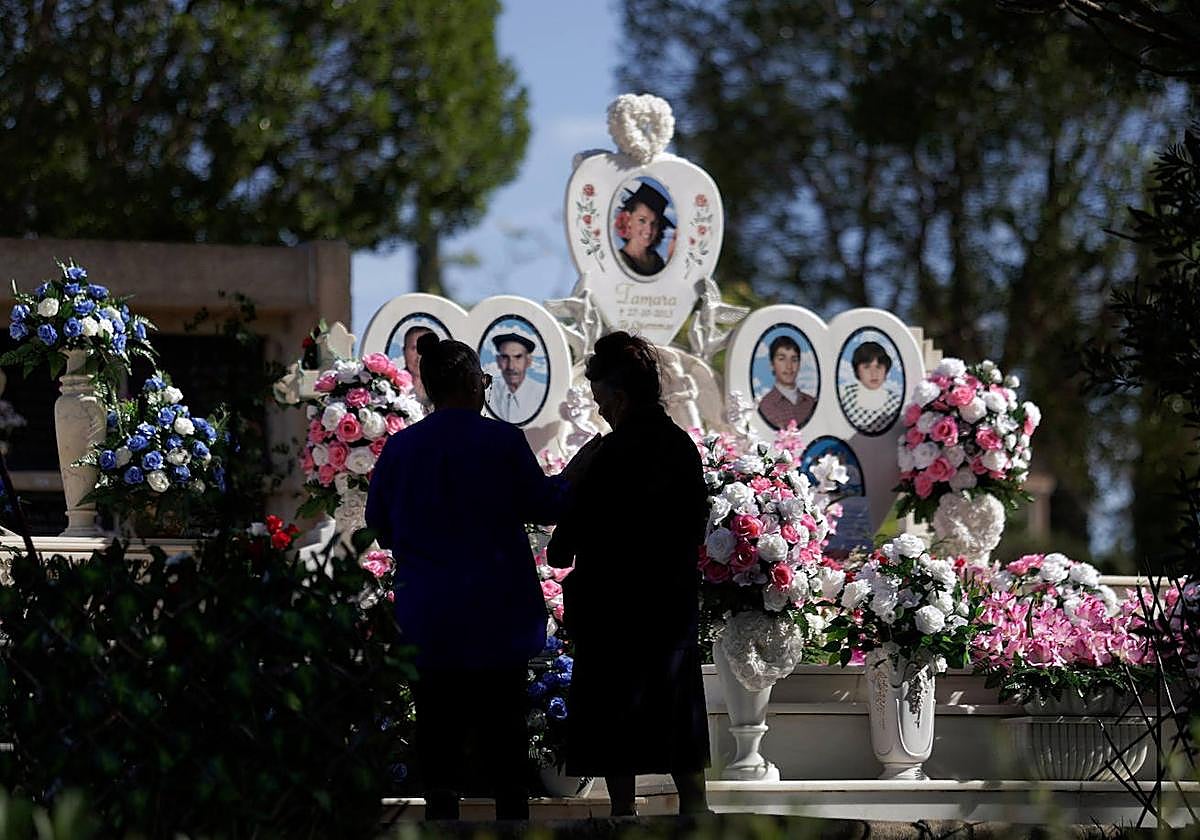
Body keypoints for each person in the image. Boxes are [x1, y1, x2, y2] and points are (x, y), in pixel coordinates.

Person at [365, 332, 569, 821]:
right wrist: (577, 474)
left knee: (437, 736)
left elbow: (380, 527)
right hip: (497, 614)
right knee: (504, 736)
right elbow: (542, 505)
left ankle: (440, 825)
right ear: (472, 384)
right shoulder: (501, 441)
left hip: (431, 616)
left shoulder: (401, 449)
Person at [547, 331, 711, 817]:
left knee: (615, 724)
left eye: (600, 400)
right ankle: (697, 812)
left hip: (612, 614)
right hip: (669, 609)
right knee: (678, 715)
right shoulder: (682, 447)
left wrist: (570, 486)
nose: (598, 411)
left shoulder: (607, 457)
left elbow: (560, 550)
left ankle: (623, 818)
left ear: (618, 397)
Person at [839, 340, 901, 434]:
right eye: (867, 367)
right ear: (857, 370)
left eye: (879, 367)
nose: (873, 373)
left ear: (886, 370)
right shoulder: (844, 395)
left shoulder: (896, 403)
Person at [757, 334, 816, 429]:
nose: (789, 366)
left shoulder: (811, 403)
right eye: (782, 359)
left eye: (794, 360)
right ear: (772, 365)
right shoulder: (764, 407)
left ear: (799, 364)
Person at [615, 182, 674, 277]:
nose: (649, 230)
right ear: (628, 219)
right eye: (642, 220)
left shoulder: (656, 259)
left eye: (654, 223)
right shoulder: (618, 260)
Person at [485, 331, 543, 423]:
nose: (511, 366)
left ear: (528, 361)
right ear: (498, 361)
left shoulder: (540, 395)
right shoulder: (489, 394)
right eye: (505, 357)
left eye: (518, 357)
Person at [401, 324, 433, 406]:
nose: (420, 356)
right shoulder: (391, 389)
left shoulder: (447, 391)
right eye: (414, 348)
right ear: (404, 352)